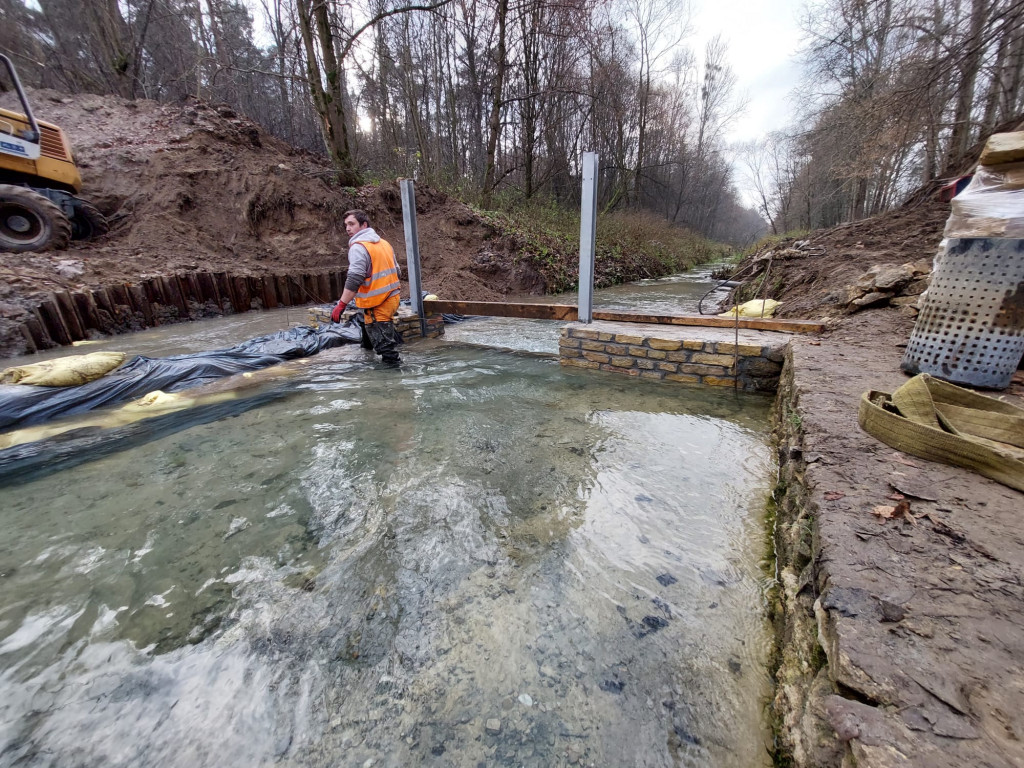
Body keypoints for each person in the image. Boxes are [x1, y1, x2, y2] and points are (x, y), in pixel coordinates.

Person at [331, 209, 403, 366]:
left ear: (364, 225)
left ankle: (393, 382)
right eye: (346, 225)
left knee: (386, 349)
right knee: (369, 329)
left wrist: (341, 304)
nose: (348, 229)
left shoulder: (358, 248)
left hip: (378, 303)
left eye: (352, 224)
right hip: (392, 298)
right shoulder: (384, 244)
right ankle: (368, 353)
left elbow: (354, 280)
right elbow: (397, 271)